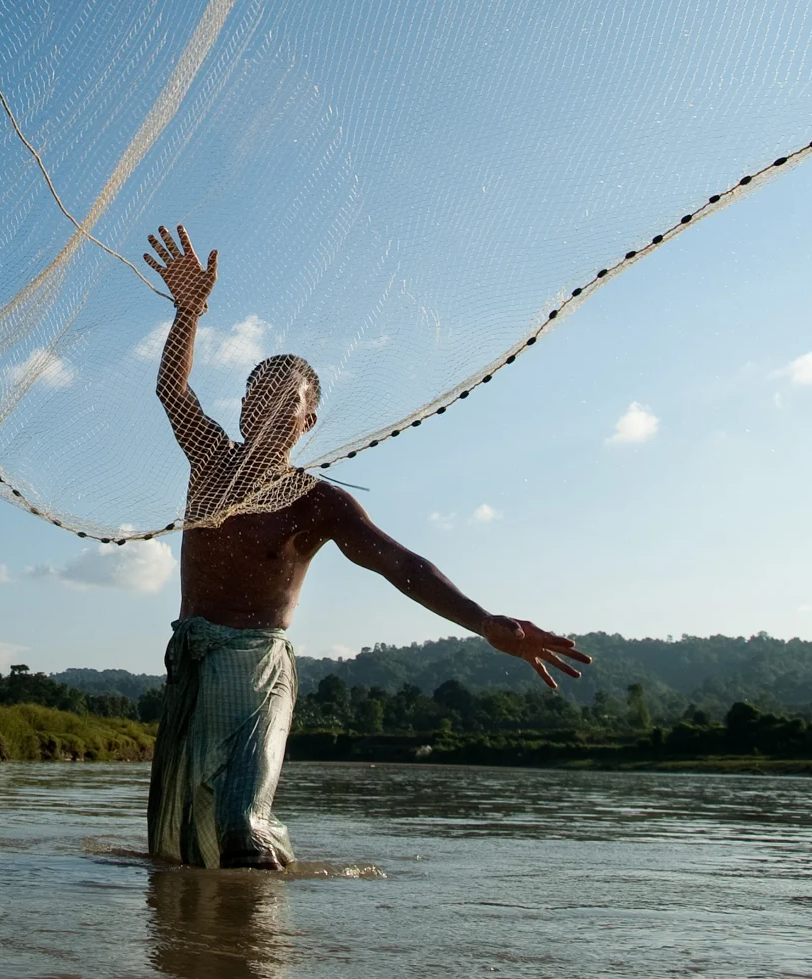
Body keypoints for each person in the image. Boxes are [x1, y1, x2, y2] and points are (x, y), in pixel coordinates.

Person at [141, 225, 590, 871]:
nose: (265, 410)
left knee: (241, 828)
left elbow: (400, 563)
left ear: (308, 421)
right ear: (240, 410)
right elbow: (174, 392)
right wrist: (188, 313)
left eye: (283, 401)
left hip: (257, 668)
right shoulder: (211, 461)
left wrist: (485, 621)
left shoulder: (318, 502)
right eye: (255, 397)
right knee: (178, 845)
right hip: (190, 658)